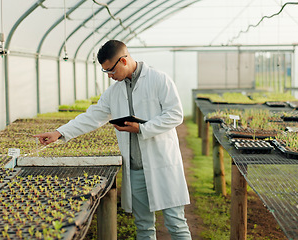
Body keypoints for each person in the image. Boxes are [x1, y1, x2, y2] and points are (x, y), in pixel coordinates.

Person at [34, 40, 191, 239]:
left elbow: (175, 114)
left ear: (124, 61)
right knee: (143, 226)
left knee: (176, 224)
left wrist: (142, 128)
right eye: (105, 71)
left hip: (162, 164)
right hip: (135, 170)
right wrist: (59, 133)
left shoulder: (159, 80)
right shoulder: (113, 92)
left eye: (110, 70)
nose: (109, 76)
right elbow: (92, 116)